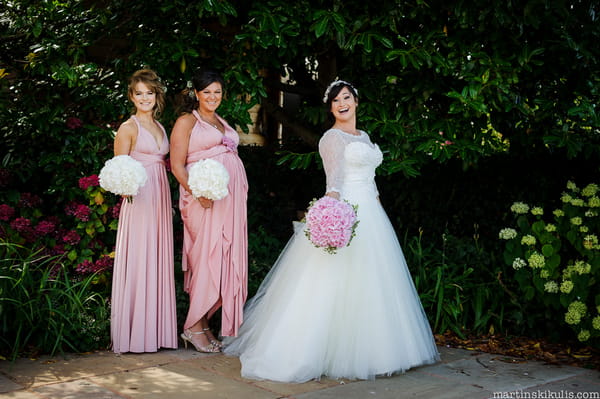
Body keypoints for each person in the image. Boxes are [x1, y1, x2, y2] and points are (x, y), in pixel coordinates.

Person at [224, 80, 439, 381]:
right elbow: (333, 181)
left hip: (372, 213)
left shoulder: (363, 136)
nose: (342, 104)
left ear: (356, 101)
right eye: (336, 100)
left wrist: (379, 209)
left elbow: (372, 180)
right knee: (332, 282)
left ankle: (380, 352)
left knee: (374, 282)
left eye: (347, 97)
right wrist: (330, 213)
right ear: (330, 107)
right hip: (347, 209)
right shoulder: (332, 138)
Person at [170, 68, 248, 353]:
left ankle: (203, 325)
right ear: (197, 94)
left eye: (217, 92)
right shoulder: (187, 121)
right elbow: (177, 165)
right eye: (207, 92)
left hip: (228, 203)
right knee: (207, 259)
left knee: (223, 260)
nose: (213, 97)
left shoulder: (220, 121)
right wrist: (198, 193)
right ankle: (192, 326)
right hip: (204, 201)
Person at [110, 69, 177, 353]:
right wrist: (127, 187)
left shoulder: (161, 128)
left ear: (156, 95)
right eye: (139, 93)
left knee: (157, 257)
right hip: (139, 199)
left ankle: (157, 333)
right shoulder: (128, 127)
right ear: (132, 96)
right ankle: (135, 335)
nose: (145, 98)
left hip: (160, 195)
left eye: (149, 93)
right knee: (140, 257)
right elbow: (118, 169)